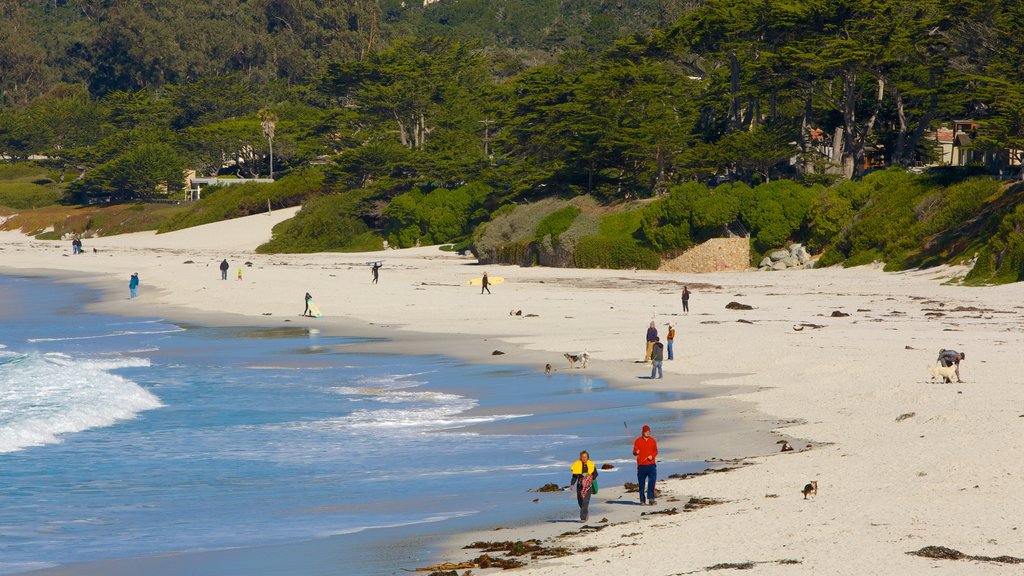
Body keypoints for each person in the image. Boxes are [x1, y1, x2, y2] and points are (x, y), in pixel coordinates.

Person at [568, 450, 599, 522]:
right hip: (579, 485)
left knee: (585, 501)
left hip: (588, 485)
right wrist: (572, 484)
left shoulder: (591, 464)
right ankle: (585, 513)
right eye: (582, 457)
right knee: (580, 501)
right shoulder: (577, 465)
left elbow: (596, 474)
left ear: (588, 457)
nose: (584, 458)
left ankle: (583, 518)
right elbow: (574, 476)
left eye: (585, 457)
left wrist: (590, 477)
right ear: (580, 457)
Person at [633, 425, 658, 505]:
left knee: (652, 482)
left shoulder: (653, 441)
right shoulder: (638, 441)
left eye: (649, 431)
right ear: (643, 432)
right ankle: (642, 500)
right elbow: (634, 452)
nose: (648, 433)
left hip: (651, 465)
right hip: (641, 466)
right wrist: (636, 452)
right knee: (641, 484)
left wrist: (652, 456)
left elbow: (656, 451)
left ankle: (651, 499)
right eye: (646, 432)